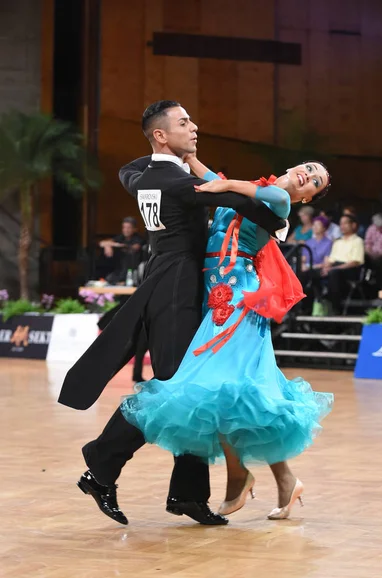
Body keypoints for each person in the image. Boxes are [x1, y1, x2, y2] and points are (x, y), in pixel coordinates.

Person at [58, 100, 286, 526]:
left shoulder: (144, 175)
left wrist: (178, 160)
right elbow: (254, 210)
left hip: (168, 280)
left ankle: (188, 494)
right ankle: (102, 465)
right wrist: (279, 201)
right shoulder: (177, 184)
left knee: (190, 388)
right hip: (177, 288)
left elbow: (129, 168)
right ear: (161, 135)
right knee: (176, 386)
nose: (195, 127)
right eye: (184, 123)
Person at [121, 157, 333, 520]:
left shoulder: (278, 201)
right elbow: (214, 181)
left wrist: (225, 184)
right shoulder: (245, 187)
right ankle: (275, 479)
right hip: (215, 298)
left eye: (314, 181)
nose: (308, 175)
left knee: (226, 389)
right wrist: (189, 158)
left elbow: (239, 188)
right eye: (309, 168)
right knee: (232, 393)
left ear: (307, 198)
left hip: (238, 301)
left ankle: (244, 476)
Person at [320, 214, 365, 314]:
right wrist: (326, 267)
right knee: (312, 273)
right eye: (341, 224)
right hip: (335, 267)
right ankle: (309, 305)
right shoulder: (337, 242)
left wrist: (334, 269)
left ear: (353, 225)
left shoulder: (358, 241)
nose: (342, 226)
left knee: (334, 273)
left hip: (350, 269)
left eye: (345, 223)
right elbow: (331, 260)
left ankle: (336, 307)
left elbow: (355, 262)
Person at [98, 217, 146, 284]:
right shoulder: (120, 238)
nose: (126, 230)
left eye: (129, 228)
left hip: (133, 271)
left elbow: (135, 247)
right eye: (124, 227)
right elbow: (101, 243)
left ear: (135, 229)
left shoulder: (138, 239)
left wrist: (117, 245)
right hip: (120, 271)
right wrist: (108, 246)